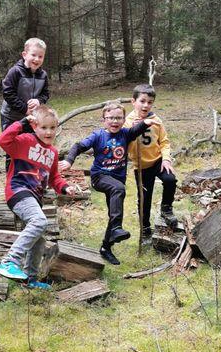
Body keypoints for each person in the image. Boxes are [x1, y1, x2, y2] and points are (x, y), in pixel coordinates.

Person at [59, 102, 160, 265]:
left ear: (123, 120)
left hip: (116, 180)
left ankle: (106, 247)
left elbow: (136, 130)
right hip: (100, 177)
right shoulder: (98, 135)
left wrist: (146, 122)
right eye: (111, 118)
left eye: (119, 118)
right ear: (104, 119)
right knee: (118, 190)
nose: (115, 121)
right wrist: (69, 160)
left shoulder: (126, 134)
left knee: (114, 210)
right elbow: (78, 146)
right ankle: (115, 229)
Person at [0, 106, 76, 289]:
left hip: (35, 196)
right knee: (39, 222)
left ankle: (29, 279)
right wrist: (22, 123)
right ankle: (9, 261)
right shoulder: (24, 141)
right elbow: (2, 140)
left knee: (38, 239)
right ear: (34, 127)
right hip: (18, 190)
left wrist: (65, 187)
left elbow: (54, 178)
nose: (48, 132)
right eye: (44, 127)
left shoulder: (53, 153)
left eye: (52, 128)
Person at [125, 83, 178, 244]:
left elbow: (164, 141)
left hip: (158, 161)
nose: (146, 105)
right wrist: (134, 130)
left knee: (170, 180)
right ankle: (145, 229)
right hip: (141, 167)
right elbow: (125, 142)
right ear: (133, 102)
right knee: (144, 199)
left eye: (150, 102)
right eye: (142, 101)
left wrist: (166, 158)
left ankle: (166, 208)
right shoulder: (127, 122)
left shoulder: (156, 119)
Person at [0, 38, 49, 155]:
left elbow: (45, 94)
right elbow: (8, 93)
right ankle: (12, 174)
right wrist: (24, 109)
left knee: (30, 147)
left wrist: (38, 101)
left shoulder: (43, 75)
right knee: (12, 149)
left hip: (31, 118)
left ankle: (27, 173)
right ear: (24, 54)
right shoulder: (15, 71)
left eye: (40, 56)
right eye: (33, 55)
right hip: (11, 117)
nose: (37, 59)